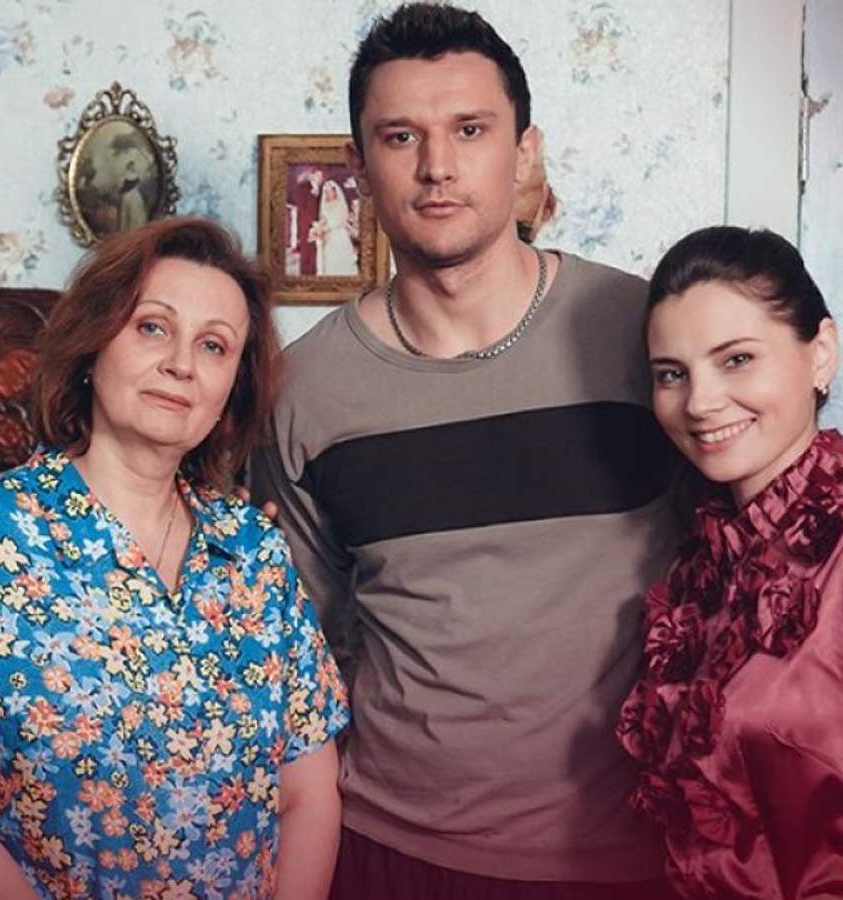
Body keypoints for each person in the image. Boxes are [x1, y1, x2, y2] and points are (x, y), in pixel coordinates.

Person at [250, 4, 680, 898]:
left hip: (631, 855)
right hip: (392, 851)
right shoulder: (305, 391)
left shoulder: (643, 333)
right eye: (401, 136)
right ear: (360, 165)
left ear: (524, 153)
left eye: (470, 130)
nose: (437, 166)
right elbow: (300, 656)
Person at [0, 216, 350, 899]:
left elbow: (309, 795)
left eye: (214, 346)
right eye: (153, 327)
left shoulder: (254, 551)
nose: (181, 363)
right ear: (93, 345)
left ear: (230, 393)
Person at [617, 227, 843, 898]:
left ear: (820, 354)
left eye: (737, 359)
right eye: (672, 374)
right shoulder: (700, 564)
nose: (700, 402)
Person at [313, 180, 359, 276]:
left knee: (341, 261)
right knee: (329, 261)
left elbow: (341, 219)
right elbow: (323, 219)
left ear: (335, 191)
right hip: (328, 238)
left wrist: (327, 228)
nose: (328, 194)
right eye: (326, 192)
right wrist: (319, 227)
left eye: (330, 191)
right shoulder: (324, 205)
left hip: (340, 235)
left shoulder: (340, 204)